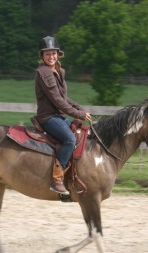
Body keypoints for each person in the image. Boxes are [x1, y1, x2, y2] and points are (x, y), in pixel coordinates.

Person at [34, 36, 91, 195]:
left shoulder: (58, 71)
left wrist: (79, 108)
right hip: (49, 118)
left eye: (53, 53)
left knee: (80, 134)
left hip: (59, 117)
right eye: (47, 54)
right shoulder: (43, 73)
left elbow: (63, 97)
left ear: (58, 54)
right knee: (70, 139)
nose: (51, 57)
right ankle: (57, 180)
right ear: (42, 56)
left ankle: (73, 177)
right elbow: (58, 101)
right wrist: (78, 113)